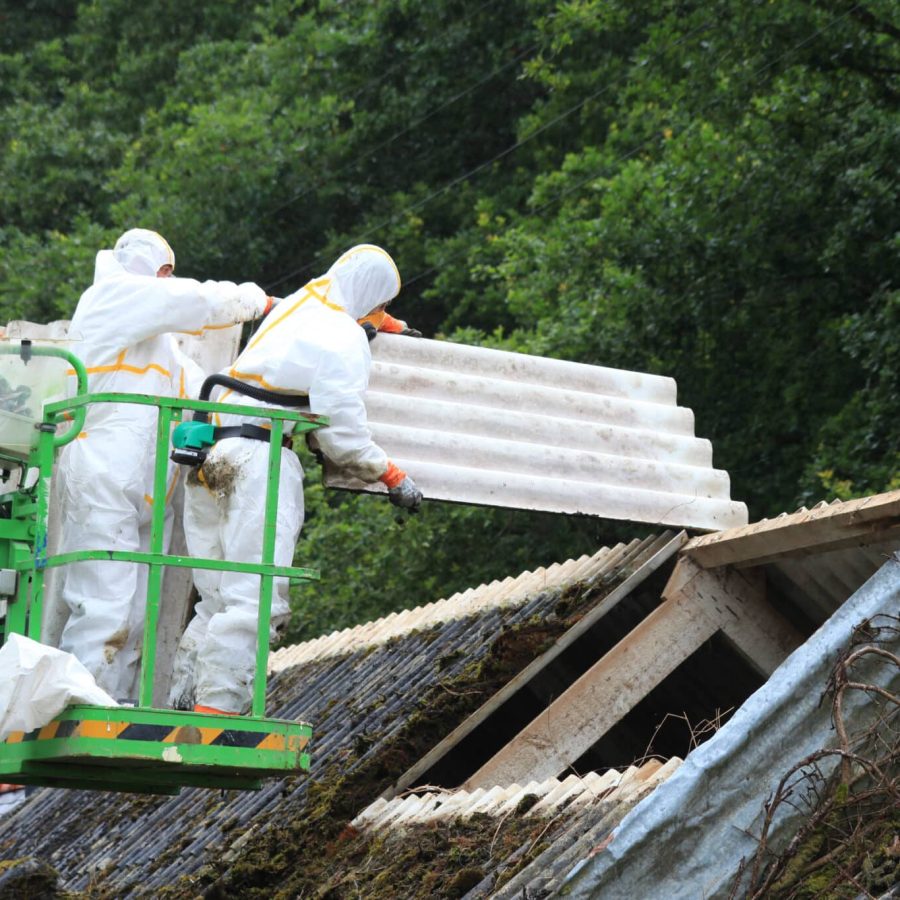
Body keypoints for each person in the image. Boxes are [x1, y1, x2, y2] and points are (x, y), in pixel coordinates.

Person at [169, 244, 422, 715]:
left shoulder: (301, 306)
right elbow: (339, 430)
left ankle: (182, 712)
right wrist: (388, 474)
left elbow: (328, 317)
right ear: (369, 297)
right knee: (255, 598)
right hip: (257, 460)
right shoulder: (342, 334)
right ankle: (215, 718)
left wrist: (382, 323)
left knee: (217, 599)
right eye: (382, 305)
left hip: (210, 450)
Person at [57, 228, 274, 700]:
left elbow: (207, 393)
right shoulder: (112, 296)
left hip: (142, 490)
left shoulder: (162, 352)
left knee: (133, 612)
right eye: (165, 273)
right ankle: (76, 705)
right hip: (103, 476)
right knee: (103, 604)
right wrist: (258, 301)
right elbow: (195, 301)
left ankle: (109, 704)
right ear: (156, 271)